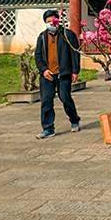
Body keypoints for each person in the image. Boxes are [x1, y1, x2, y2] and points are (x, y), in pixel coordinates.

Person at [34, 10, 81, 139]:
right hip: (48, 75)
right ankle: (48, 128)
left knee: (65, 98)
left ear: (58, 20)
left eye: (53, 21)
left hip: (63, 73)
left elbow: (75, 53)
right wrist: (43, 70)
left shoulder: (67, 34)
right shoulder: (42, 37)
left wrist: (75, 71)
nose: (51, 23)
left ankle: (74, 119)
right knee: (46, 101)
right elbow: (37, 56)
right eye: (48, 21)